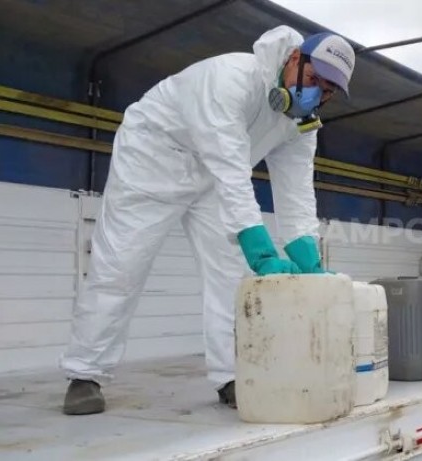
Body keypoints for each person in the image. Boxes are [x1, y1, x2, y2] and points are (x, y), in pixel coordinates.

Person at [58, 26, 356, 415]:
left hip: (212, 177)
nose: (316, 94)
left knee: (230, 277)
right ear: (295, 59)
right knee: (121, 264)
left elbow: (297, 195)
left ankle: (233, 375)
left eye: (328, 91)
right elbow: (230, 168)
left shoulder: (299, 122)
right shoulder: (232, 78)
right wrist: (260, 247)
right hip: (154, 157)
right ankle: (85, 373)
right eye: (314, 80)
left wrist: (308, 257)